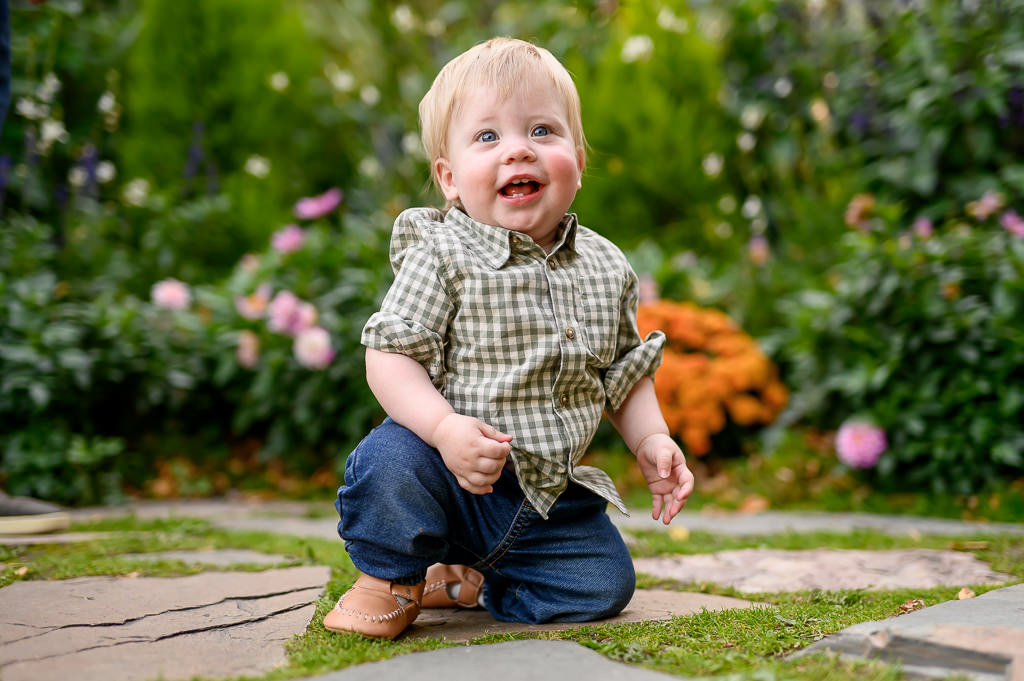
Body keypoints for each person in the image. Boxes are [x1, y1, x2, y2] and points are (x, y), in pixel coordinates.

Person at [323, 37, 694, 640]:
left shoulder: (606, 266)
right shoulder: (443, 253)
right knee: (389, 461)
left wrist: (651, 438)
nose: (519, 149)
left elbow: (624, 372)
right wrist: (444, 429)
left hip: (542, 498)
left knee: (603, 584)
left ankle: (473, 576)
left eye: (542, 130)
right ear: (449, 178)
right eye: (488, 136)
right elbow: (389, 356)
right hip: (446, 471)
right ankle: (390, 579)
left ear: (578, 159)